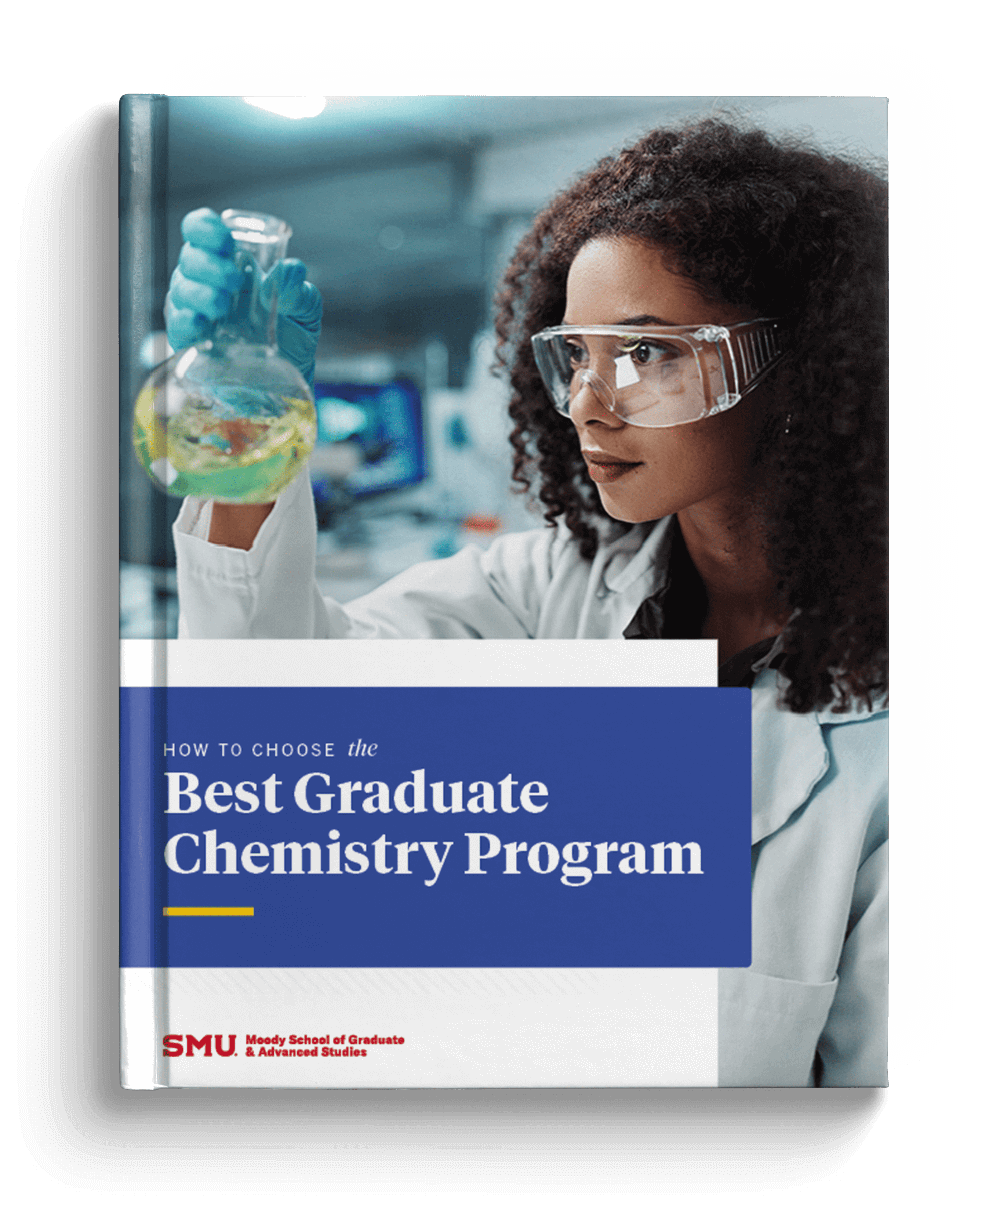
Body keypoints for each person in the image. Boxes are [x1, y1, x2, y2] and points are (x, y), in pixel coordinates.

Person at [169, 119, 888, 1087]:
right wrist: (251, 416)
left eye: (648, 355)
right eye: (575, 356)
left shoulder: (901, 745)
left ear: (801, 368)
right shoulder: (547, 590)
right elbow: (274, 706)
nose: (590, 403)